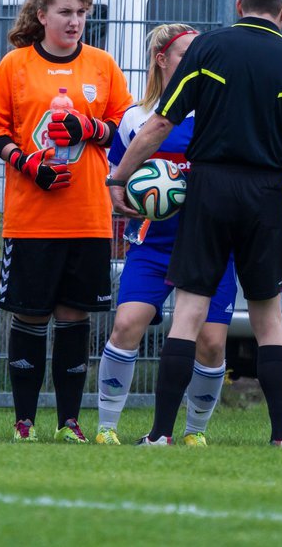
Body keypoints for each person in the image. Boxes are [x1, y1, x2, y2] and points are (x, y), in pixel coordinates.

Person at [109, 0, 282, 448]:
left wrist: (118, 177)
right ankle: (281, 437)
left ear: (240, 6)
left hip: (209, 188)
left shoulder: (207, 50)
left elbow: (158, 124)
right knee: (265, 319)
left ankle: (160, 434)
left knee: (190, 313)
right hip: (267, 196)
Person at [0, 0, 132, 443]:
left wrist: (91, 129)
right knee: (31, 317)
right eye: (65, 12)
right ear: (42, 15)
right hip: (32, 219)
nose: (75, 21)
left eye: (82, 13)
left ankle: (69, 422)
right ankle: (24, 421)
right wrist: (26, 162)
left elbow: (124, 125)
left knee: (74, 318)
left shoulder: (102, 65)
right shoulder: (15, 65)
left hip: (88, 217)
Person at [95, 24, 238, 447]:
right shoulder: (137, 118)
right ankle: (107, 427)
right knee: (126, 324)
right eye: (184, 55)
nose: (194, 63)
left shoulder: (218, 112)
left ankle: (194, 433)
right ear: (162, 59)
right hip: (154, 242)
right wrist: (125, 192)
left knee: (211, 343)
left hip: (211, 243)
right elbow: (117, 175)